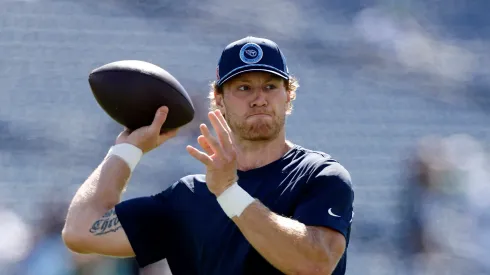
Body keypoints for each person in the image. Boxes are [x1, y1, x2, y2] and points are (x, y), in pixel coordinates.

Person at [62, 36, 355, 275]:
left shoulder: (319, 176)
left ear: (288, 94)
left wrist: (229, 193)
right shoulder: (189, 198)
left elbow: (316, 263)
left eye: (270, 86)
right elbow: (80, 230)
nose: (259, 98)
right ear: (219, 100)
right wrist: (127, 148)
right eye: (243, 87)